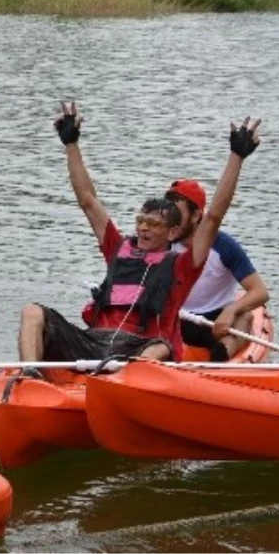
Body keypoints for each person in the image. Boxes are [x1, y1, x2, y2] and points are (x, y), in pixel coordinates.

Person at [18, 103, 261, 364]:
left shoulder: (182, 265)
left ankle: (128, 385)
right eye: (141, 221)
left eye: (154, 224)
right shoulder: (117, 248)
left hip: (144, 349)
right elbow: (88, 201)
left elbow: (213, 217)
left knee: (159, 349)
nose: (144, 228)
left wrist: (237, 156)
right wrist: (71, 144)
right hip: (96, 341)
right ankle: (29, 374)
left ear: (173, 232)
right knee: (33, 312)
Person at [165, 179, 271, 362]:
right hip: (176, 319)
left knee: (244, 317)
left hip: (216, 322)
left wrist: (231, 309)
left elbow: (260, 292)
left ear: (196, 216)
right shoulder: (162, 243)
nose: (169, 220)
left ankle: (220, 359)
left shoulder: (224, 246)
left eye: (176, 215)